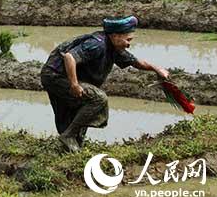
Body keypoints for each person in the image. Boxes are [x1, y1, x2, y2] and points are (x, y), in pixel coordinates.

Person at [40, 16, 170, 152]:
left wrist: (157, 69)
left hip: (62, 77)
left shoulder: (114, 48)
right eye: (128, 39)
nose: (128, 44)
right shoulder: (97, 44)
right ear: (115, 36)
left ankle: (69, 149)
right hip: (55, 76)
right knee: (98, 98)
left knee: (74, 115)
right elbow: (69, 57)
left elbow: (136, 62)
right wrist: (74, 84)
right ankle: (69, 136)